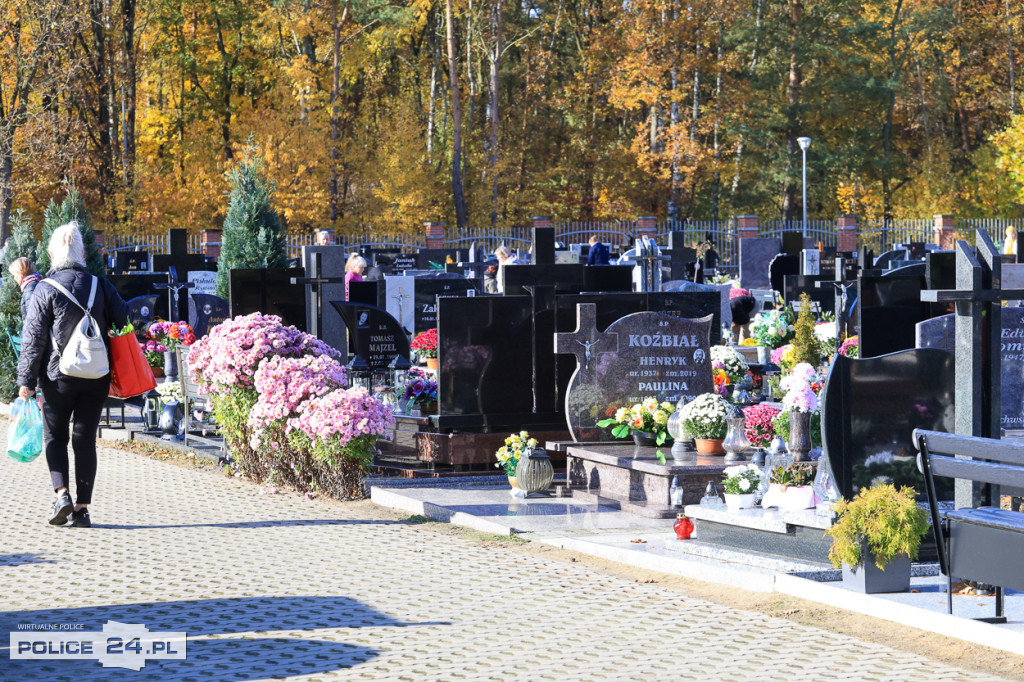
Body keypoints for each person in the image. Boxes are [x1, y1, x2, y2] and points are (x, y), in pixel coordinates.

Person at [18, 221, 130, 528]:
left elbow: (33, 339)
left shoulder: (44, 289)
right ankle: (82, 510)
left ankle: (63, 494)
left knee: (55, 437)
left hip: (57, 378)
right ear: (82, 253)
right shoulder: (101, 285)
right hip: (96, 376)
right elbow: (124, 317)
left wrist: (25, 381)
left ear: (53, 253)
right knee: (85, 440)